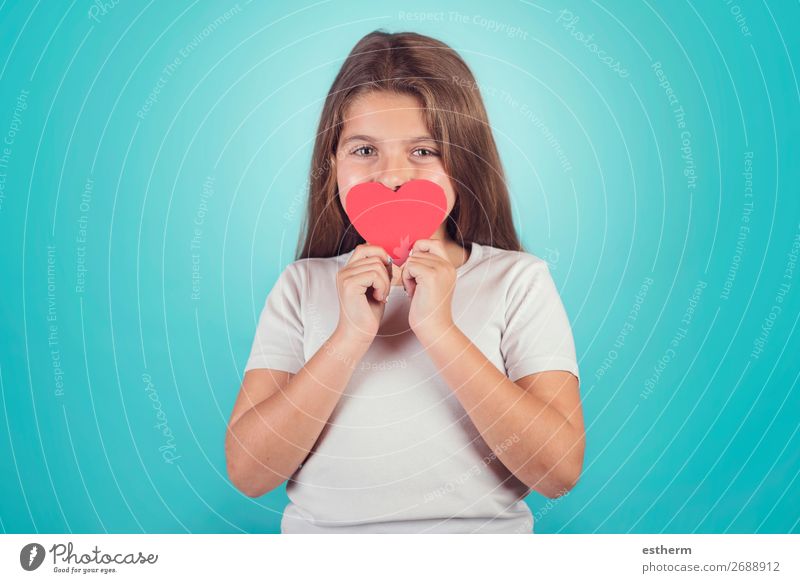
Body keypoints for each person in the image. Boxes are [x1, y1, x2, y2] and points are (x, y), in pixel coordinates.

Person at [225, 30, 585, 534]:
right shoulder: (301, 286)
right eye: (365, 149)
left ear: (463, 163)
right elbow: (249, 472)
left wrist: (440, 330)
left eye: (423, 151)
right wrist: (348, 337)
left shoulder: (517, 281)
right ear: (332, 166)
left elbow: (558, 471)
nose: (392, 175)